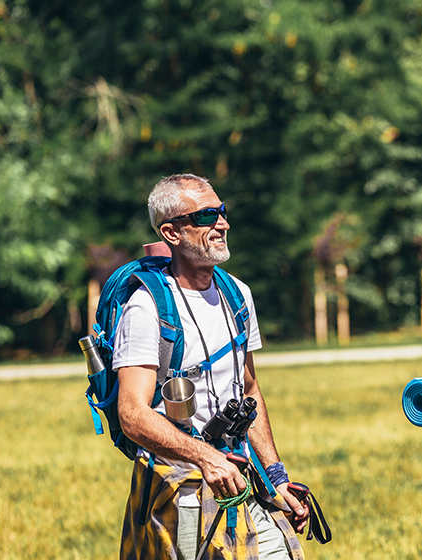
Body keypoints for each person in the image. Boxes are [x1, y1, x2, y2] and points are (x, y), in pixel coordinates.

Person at [114, 173, 308, 560]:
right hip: (179, 487)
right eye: (205, 216)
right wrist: (205, 457)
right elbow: (132, 414)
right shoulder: (147, 307)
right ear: (171, 232)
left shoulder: (238, 294)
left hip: (243, 477)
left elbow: (249, 391)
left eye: (221, 212)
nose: (222, 224)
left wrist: (276, 478)